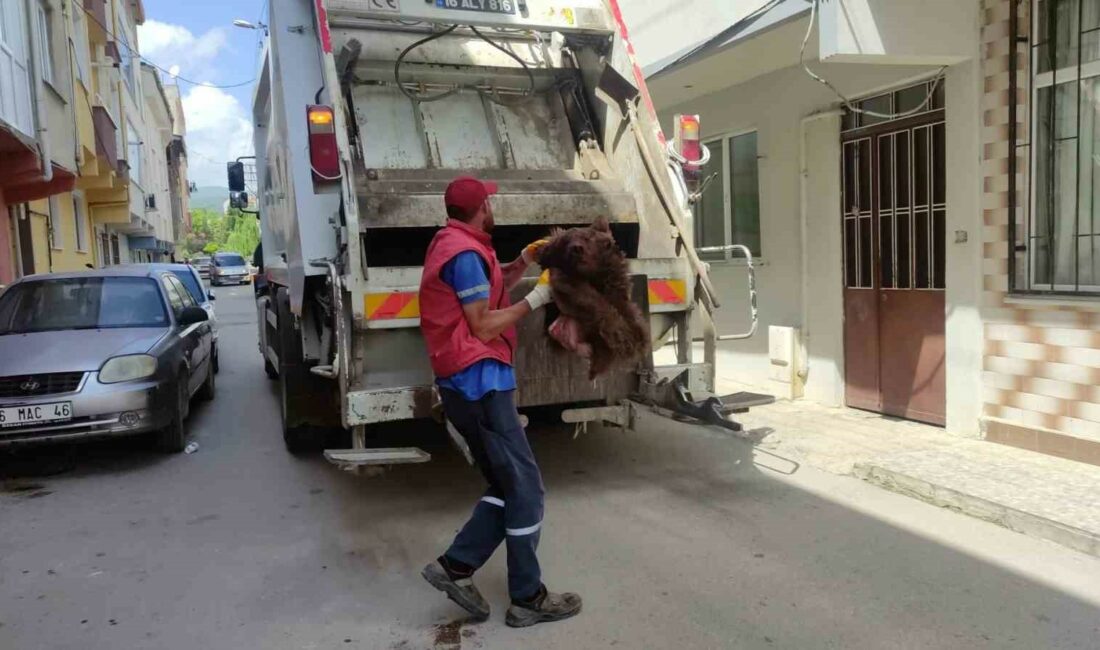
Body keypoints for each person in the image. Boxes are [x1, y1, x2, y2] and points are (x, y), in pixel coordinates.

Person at [418, 176, 582, 628]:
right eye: (489, 200)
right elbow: (485, 325)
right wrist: (540, 297)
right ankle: (528, 597)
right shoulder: (465, 255)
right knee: (526, 489)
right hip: (480, 384)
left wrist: (524, 261)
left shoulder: (458, 243)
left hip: (467, 383)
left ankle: (455, 566)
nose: (492, 205)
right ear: (482, 207)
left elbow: (492, 286)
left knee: (505, 487)